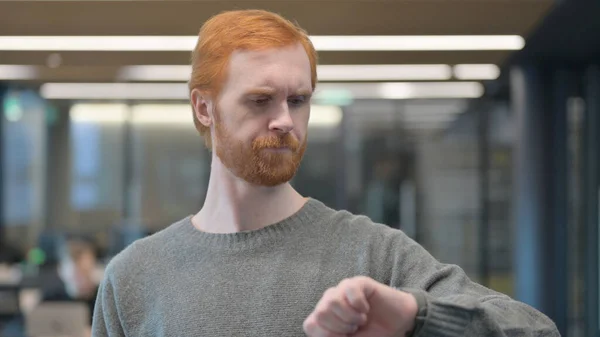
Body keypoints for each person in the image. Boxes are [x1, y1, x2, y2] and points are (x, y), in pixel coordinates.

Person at [92, 9, 559, 337]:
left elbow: (535, 330)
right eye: (260, 100)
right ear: (204, 107)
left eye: (298, 100)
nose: (285, 120)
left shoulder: (374, 256)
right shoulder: (134, 277)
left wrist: (416, 316)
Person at [43, 235, 99, 326]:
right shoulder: (53, 294)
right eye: (80, 271)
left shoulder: (98, 296)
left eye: (88, 272)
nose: (85, 277)